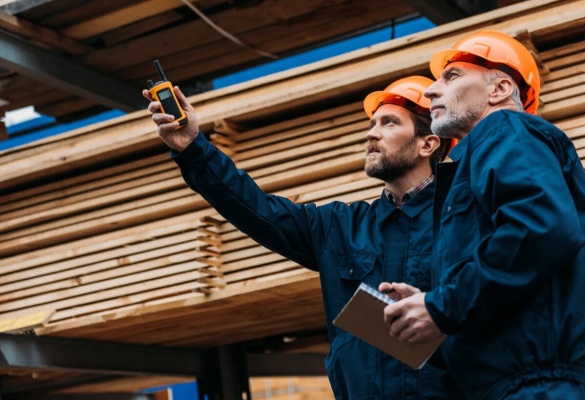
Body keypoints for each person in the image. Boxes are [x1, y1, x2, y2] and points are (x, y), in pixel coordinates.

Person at [143, 76, 462, 399]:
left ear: (427, 144)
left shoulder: (463, 220)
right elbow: (254, 208)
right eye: (372, 123)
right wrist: (192, 148)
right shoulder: (338, 226)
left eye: (389, 123)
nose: (372, 133)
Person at [380, 30, 585, 399]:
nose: (430, 91)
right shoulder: (475, 167)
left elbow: (540, 229)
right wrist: (430, 301)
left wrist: (441, 305)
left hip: (537, 387)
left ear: (499, 89)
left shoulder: (505, 129)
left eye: (451, 76)